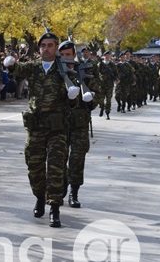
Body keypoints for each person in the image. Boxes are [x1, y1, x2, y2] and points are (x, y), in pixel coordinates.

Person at [3, 30, 79, 228]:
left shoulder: (66, 69)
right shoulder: (34, 67)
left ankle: (54, 207)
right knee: (34, 166)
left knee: (55, 168)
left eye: (50, 45)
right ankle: (39, 197)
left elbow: (77, 98)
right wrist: (10, 63)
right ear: (39, 49)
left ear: (56, 48)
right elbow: (17, 70)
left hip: (57, 128)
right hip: (36, 126)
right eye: (43, 46)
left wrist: (74, 96)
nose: (47, 49)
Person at [58, 42, 99, 209]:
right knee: (59, 160)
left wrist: (91, 98)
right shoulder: (55, 71)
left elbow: (97, 94)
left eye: (69, 54)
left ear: (74, 54)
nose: (67, 57)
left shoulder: (85, 70)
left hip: (80, 124)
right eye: (63, 54)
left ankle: (73, 193)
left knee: (77, 160)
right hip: (59, 124)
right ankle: (60, 190)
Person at [97, 51, 117, 120]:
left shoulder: (112, 65)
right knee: (101, 99)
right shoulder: (100, 64)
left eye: (108, 55)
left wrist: (116, 79)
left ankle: (107, 113)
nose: (107, 57)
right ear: (104, 56)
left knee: (108, 100)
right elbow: (97, 73)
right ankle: (102, 107)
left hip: (110, 85)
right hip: (102, 84)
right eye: (106, 55)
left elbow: (116, 73)